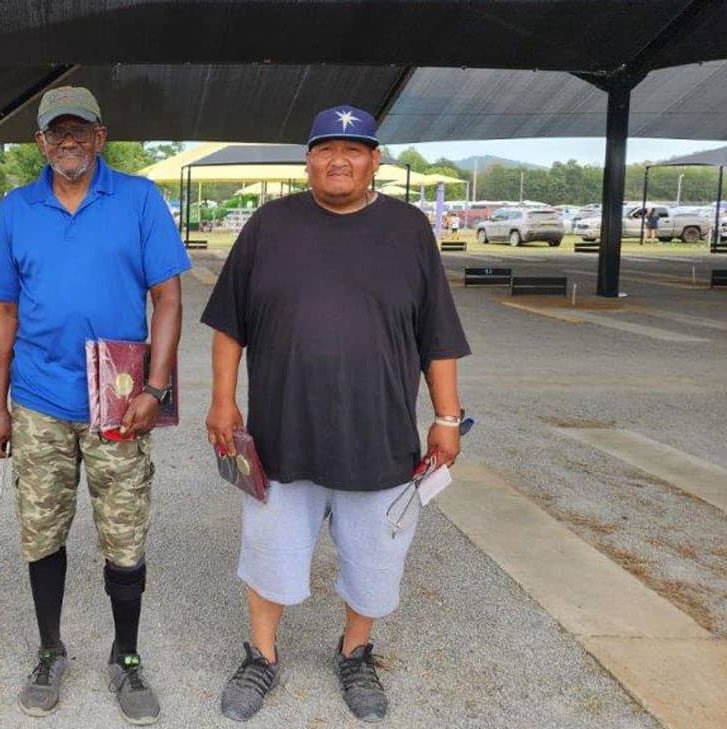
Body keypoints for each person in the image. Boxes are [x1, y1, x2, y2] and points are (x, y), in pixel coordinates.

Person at [202, 105, 470, 724]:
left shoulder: (407, 230)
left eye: (354, 149)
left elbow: (439, 336)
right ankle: (262, 656)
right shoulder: (270, 225)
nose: (339, 160)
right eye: (326, 148)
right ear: (309, 160)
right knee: (269, 550)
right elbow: (227, 327)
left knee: (376, 558)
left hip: (377, 437)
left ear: (375, 160)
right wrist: (223, 401)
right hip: (280, 435)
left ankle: (355, 651)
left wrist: (447, 418)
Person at [0, 86, 191, 725]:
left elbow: (168, 298)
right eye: (56, 132)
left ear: (101, 137)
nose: (68, 141)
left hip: (119, 402)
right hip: (40, 401)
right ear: (40, 142)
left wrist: (155, 390)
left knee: (124, 534)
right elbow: (3, 312)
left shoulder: (137, 199)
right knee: (42, 532)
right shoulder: (17, 209)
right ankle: (50, 649)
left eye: (80, 130)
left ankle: (126, 656)